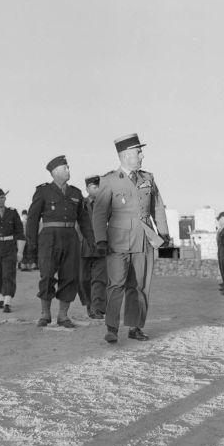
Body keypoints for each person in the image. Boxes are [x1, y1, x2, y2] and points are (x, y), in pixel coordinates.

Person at [92, 133, 170, 344]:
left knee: (141, 286)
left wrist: (163, 233)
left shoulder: (148, 178)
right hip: (118, 241)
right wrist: (100, 239)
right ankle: (112, 328)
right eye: (138, 152)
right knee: (116, 284)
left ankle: (135, 327)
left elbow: (158, 208)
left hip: (144, 239)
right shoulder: (109, 181)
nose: (142, 156)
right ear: (126, 155)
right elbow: (99, 213)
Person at [26, 155, 96, 327]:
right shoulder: (43, 191)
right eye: (65, 168)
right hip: (49, 238)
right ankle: (45, 313)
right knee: (47, 275)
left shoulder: (75, 193)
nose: (69, 170)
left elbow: (84, 220)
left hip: (71, 238)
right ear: (55, 172)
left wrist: (92, 240)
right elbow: (33, 218)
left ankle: (63, 315)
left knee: (70, 276)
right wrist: (32, 243)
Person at [0, 188, 25, 313]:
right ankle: (1, 297)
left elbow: (20, 232)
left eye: (2, 197)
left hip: (9, 246)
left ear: (5, 198)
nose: (0, 200)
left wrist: (20, 251)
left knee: (9, 273)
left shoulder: (12, 212)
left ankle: (7, 301)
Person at [79, 175, 107, 319]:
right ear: (87, 188)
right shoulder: (80, 204)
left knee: (99, 278)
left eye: (99, 187)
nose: (97, 190)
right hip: (83, 246)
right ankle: (89, 304)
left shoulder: (107, 203)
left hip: (102, 246)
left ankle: (97, 307)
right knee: (83, 279)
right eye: (94, 187)